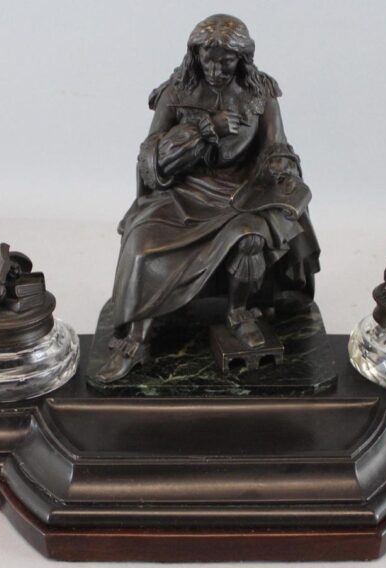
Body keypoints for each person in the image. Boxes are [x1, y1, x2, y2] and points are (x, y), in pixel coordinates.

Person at [96, 14, 321, 383]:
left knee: (250, 238)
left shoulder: (261, 93)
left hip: (241, 194)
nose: (216, 70)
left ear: (242, 59)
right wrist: (201, 131)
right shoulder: (176, 91)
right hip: (181, 193)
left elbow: (276, 146)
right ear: (195, 55)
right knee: (141, 247)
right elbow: (149, 155)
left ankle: (239, 312)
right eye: (208, 59)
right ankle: (135, 337)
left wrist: (281, 170)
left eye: (226, 61)